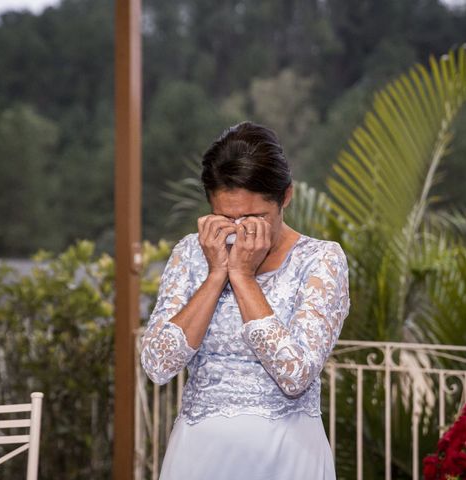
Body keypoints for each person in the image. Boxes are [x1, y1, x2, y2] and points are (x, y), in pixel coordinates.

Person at [140, 121, 350, 480]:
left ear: (285, 197)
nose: (239, 231)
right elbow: (159, 364)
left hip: (286, 454)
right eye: (225, 218)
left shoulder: (321, 260)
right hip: (198, 453)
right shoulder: (190, 253)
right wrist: (215, 275)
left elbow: (295, 374)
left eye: (254, 218)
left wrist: (243, 277)